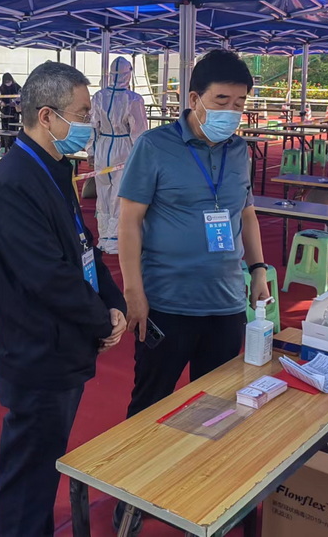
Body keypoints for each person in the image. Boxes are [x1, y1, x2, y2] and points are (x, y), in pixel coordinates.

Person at [114, 50, 270, 533]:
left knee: (215, 408)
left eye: (240, 103)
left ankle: (199, 497)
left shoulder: (239, 151)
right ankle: (132, 497)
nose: (232, 112)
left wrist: (258, 269)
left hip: (225, 304)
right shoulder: (155, 146)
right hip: (167, 303)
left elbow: (246, 213)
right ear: (194, 98)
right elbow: (129, 221)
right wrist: (133, 291)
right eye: (222, 100)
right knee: (151, 402)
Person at [0, 61, 128, 537]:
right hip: (37, 350)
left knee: (45, 461)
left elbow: (84, 246)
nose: (90, 123)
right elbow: (46, 275)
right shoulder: (13, 181)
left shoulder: (53, 169)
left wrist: (114, 302)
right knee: (30, 473)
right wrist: (101, 319)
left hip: (63, 343)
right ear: (47, 116)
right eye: (82, 113)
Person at [86, 57, 148, 254]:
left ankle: (104, 236)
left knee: (103, 191)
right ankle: (114, 240)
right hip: (123, 147)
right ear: (128, 74)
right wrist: (142, 156)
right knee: (119, 194)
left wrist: (91, 151)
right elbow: (138, 131)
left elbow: (91, 126)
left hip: (103, 146)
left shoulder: (99, 96)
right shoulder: (133, 99)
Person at [0, 72, 21, 149]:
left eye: (9, 81)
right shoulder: (1, 89)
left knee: (14, 130)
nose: (8, 83)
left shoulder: (17, 87)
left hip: (14, 112)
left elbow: (21, 97)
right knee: (4, 131)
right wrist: (1, 103)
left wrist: (15, 103)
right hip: (5, 112)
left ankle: (13, 147)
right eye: (6, 81)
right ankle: (4, 147)